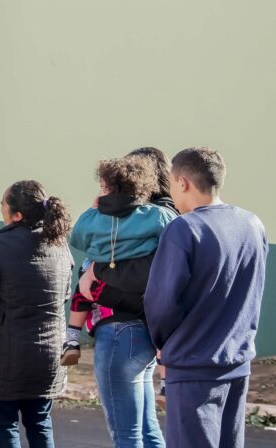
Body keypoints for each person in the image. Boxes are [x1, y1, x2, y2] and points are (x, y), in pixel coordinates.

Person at [145, 148, 268, 448]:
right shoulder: (253, 224)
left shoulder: (183, 229)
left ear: (183, 182)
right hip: (237, 362)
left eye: (172, 184)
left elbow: (160, 303)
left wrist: (163, 344)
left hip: (191, 365)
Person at [68, 156, 176, 448]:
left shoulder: (92, 218)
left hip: (116, 330)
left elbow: (77, 239)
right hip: (147, 326)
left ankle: (70, 338)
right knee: (146, 426)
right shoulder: (158, 216)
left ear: (105, 187)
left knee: (125, 433)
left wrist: (95, 212)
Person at [0, 181, 74, 448]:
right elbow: (66, 296)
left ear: (17, 215)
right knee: (40, 424)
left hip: (6, 358)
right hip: (48, 357)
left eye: (3, 202)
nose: (0, 207)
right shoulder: (60, 247)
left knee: (5, 425)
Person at [126, 146, 180, 407]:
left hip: (146, 302)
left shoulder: (156, 213)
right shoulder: (172, 207)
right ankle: (167, 384)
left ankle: (168, 384)